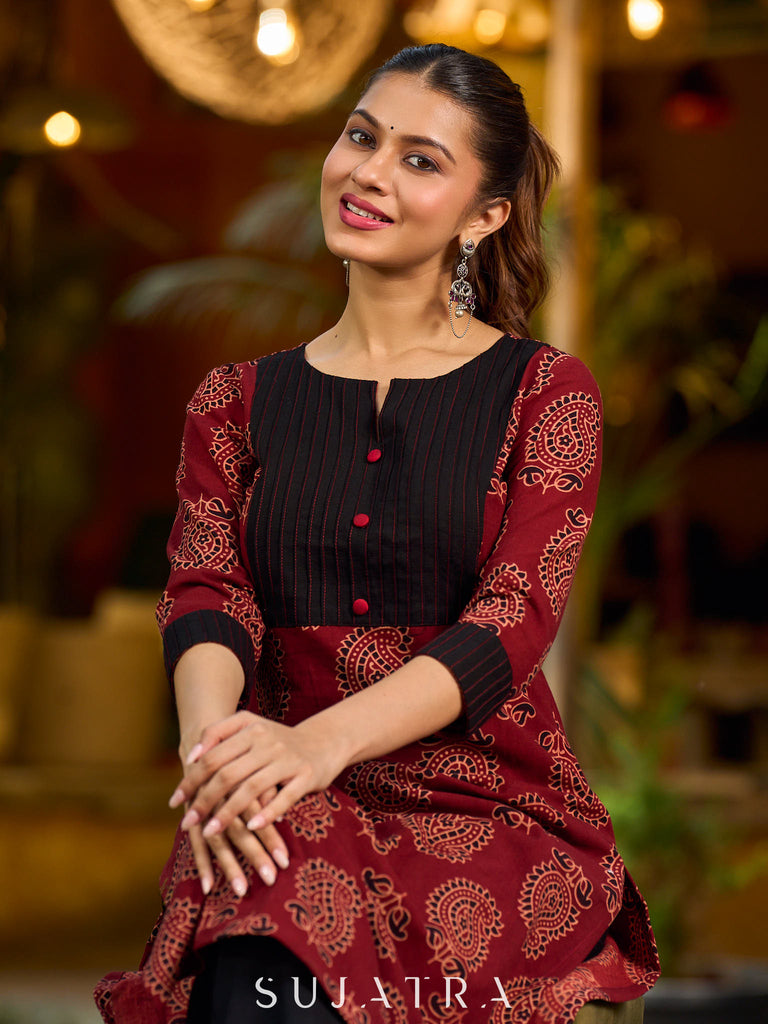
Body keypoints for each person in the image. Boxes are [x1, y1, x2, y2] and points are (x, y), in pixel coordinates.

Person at [95, 43, 659, 1024]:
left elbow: (513, 619)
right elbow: (207, 593)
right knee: (267, 866)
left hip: (482, 804)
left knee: (271, 876)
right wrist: (215, 755)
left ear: (485, 216)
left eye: (420, 159)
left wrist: (314, 749)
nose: (369, 171)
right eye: (362, 137)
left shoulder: (545, 392)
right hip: (279, 781)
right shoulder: (233, 400)